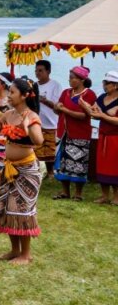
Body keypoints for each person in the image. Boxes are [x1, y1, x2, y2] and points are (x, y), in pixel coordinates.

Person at [0, 77, 43, 264]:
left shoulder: (32, 116)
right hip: (9, 169)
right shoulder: (8, 115)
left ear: (25, 95)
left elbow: (39, 141)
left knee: (22, 209)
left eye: (12, 92)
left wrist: (27, 127)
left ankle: (26, 255)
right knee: (6, 207)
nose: (9, 95)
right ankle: (14, 250)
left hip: (27, 170)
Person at [53, 66, 96, 201]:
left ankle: (78, 193)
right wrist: (56, 107)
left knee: (79, 163)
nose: (70, 80)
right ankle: (65, 191)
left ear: (81, 80)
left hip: (80, 134)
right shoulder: (66, 92)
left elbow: (84, 115)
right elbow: (57, 109)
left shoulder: (89, 94)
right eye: (70, 78)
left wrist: (64, 109)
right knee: (63, 162)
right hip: (63, 132)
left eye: (72, 78)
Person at [90, 71, 118, 205]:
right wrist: (87, 108)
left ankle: (116, 196)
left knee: (115, 166)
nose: (104, 85)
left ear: (115, 85)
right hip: (103, 136)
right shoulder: (102, 97)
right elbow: (93, 112)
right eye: (104, 83)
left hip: (115, 137)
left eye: (107, 83)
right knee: (102, 166)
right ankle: (104, 195)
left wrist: (102, 115)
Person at [33, 60, 62, 179]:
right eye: (36, 70)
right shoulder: (34, 85)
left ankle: (50, 172)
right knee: (37, 148)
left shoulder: (55, 85)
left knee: (50, 149)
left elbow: (57, 105)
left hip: (52, 122)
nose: (38, 73)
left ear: (48, 71)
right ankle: (38, 172)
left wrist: (44, 100)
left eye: (41, 70)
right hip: (37, 122)